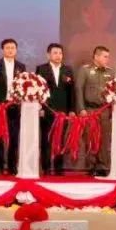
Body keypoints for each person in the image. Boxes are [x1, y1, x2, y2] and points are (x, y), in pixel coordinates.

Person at [0, 38, 26, 175]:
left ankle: (12, 166)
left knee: (14, 137)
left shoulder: (21, 66)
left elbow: (24, 86)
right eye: (7, 48)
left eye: (12, 48)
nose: (10, 50)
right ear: (3, 49)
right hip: (0, 106)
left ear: (16, 50)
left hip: (15, 105)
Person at [36, 43, 75, 176]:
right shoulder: (41, 69)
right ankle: (46, 167)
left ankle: (58, 167)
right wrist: (40, 107)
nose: (58, 56)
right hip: (47, 110)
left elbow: (71, 92)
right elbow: (37, 90)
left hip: (63, 110)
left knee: (60, 139)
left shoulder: (68, 70)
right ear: (48, 55)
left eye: (60, 53)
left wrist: (72, 109)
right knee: (46, 139)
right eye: (55, 53)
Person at [75, 46, 115, 176]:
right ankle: (91, 166)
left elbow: (113, 92)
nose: (107, 59)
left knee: (104, 139)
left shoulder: (110, 72)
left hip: (104, 110)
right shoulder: (85, 70)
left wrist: (111, 111)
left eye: (108, 57)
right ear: (96, 56)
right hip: (89, 109)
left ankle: (103, 166)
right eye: (105, 56)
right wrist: (81, 108)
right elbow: (79, 89)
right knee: (91, 138)